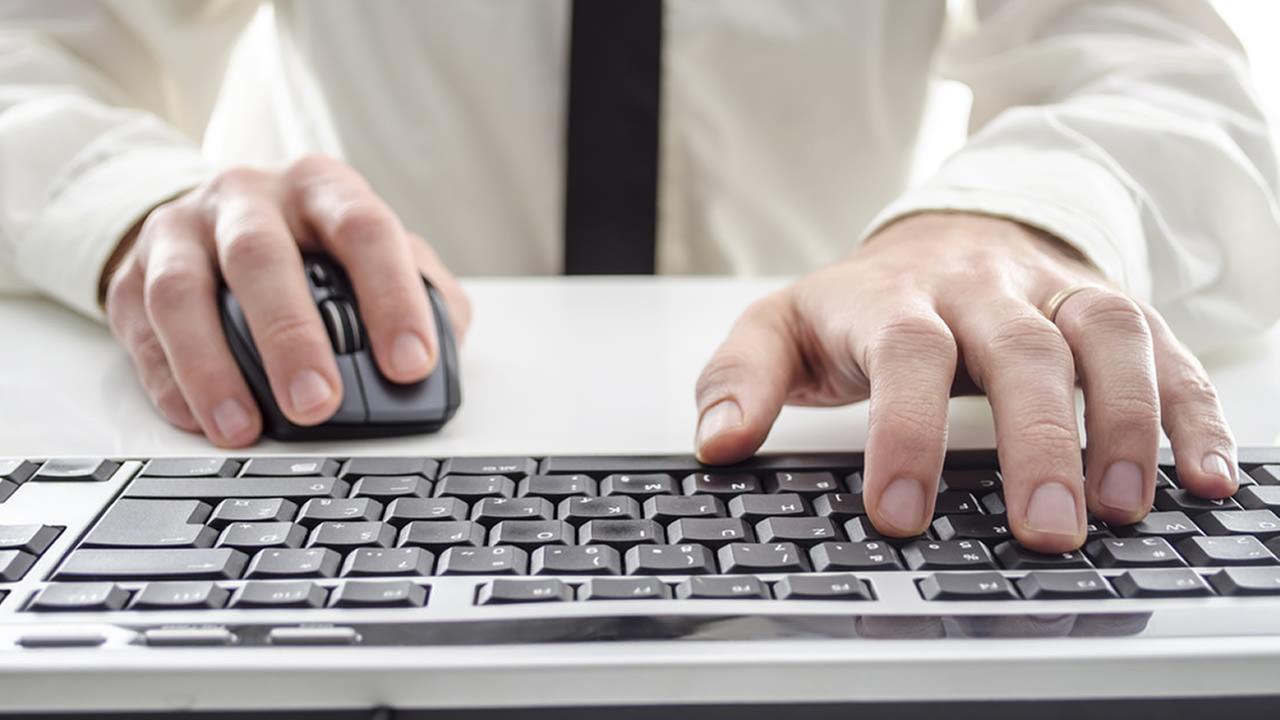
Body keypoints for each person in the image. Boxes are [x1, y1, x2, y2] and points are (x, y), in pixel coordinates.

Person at [1, 1, 1277, 554]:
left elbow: (1158, 69)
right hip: (359, 446)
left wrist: (998, 220)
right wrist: (138, 207)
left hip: (837, 432)